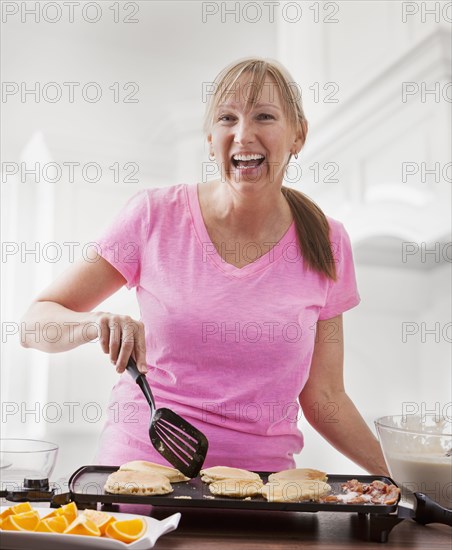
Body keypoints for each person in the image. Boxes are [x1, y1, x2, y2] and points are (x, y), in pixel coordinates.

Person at [21, 57, 389, 475]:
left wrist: (408, 482)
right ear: (210, 140)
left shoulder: (327, 242)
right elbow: (35, 324)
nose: (243, 134)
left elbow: (326, 396)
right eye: (227, 118)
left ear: (298, 135)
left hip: (263, 493)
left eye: (264, 116)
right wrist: (95, 323)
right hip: (138, 476)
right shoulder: (152, 216)